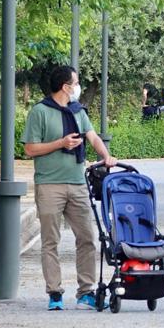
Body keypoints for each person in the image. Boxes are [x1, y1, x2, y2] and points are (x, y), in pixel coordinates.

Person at [22, 65, 116, 311]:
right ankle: (55, 293)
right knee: (50, 241)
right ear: (65, 87)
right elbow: (30, 149)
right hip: (49, 184)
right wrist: (60, 143)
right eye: (75, 83)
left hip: (77, 184)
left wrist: (106, 156)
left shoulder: (78, 111)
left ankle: (86, 292)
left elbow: (92, 137)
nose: (77, 87)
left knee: (87, 238)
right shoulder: (40, 112)